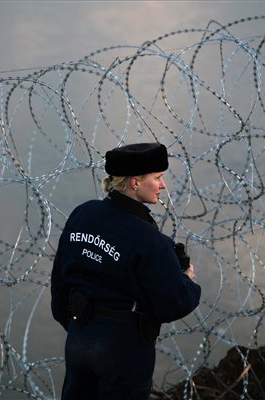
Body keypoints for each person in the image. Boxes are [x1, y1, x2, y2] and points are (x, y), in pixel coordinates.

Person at [51, 142, 201, 400]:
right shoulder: (150, 239)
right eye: (157, 178)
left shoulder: (82, 214)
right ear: (134, 183)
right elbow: (173, 303)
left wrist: (81, 329)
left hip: (79, 336)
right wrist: (186, 281)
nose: (163, 185)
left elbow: (60, 284)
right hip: (123, 347)